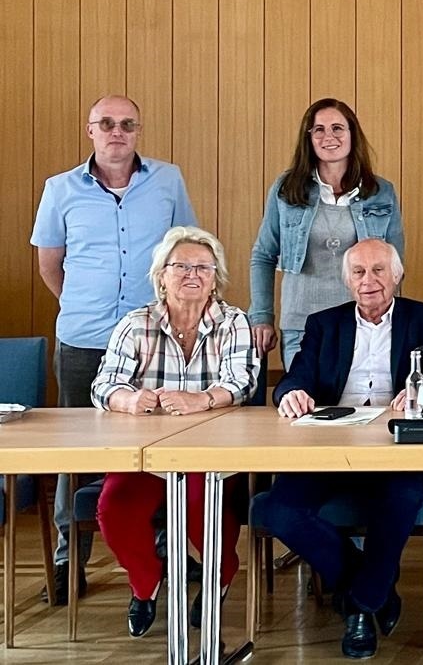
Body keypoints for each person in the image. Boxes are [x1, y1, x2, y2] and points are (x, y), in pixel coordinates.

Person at [31, 94, 197, 605]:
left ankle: (167, 552)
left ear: (138, 131)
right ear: (90, 131)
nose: (117, 132)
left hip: (155, 340)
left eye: (127, 124)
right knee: (74, 452)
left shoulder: (167, 181)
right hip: (83, 339)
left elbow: (186, 248)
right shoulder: (59, 190)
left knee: (161, 447)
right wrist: (87, 309)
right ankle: (68, 562)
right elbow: (49, 265)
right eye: (107, 124)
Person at [254, 239, 423, 659]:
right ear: (346, 280)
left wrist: (421, 396)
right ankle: (373, 588)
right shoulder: (324, 324)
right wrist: (289, 394)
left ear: (397, 275)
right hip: (328, 445)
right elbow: (296, 376)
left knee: (404, 497)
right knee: (275, 509)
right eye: (359, 272)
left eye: (379, 270)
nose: (369, 281)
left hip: (397, 447)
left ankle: (359, 608)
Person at [90, 227, 257, 638]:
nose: (192, 274)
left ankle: (219, 579)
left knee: (205, 509)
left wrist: (202, 399)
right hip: (144, 452)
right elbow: (103, 384)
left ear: (215, 277)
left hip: (212, 452)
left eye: (203, 267)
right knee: (114, 508)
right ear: (160, 276)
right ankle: (145, 584)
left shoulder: (234, 322)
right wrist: (127, 400)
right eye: (180, 266)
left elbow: (243, 382)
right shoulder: (136, 324)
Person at [250, 97, 404, 375]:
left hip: (362, 321)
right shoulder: (286, 189)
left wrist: (393, 322)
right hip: (301, 322)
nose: (328, 136)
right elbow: (263, 255)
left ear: (351, 134)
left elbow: (395, 266)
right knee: (305, 404)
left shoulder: (381, 191)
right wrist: (261, 315)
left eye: (337, 128)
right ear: (308, 138)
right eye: (318, 129)